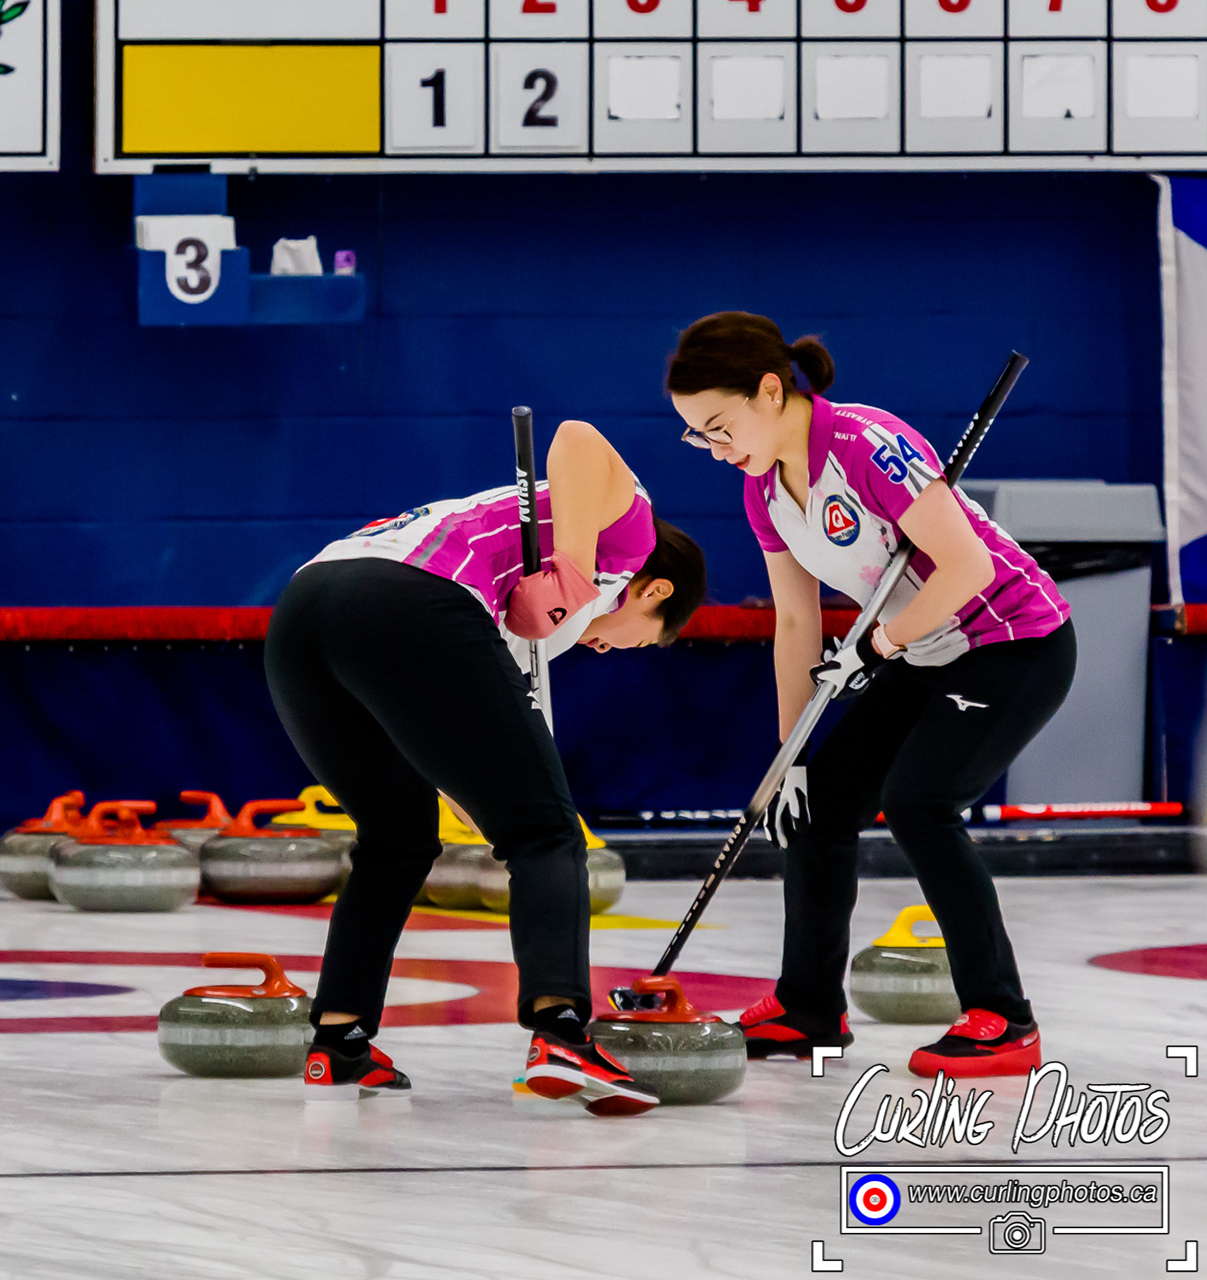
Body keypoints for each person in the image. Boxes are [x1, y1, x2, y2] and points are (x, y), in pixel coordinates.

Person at [668, 312, 1075, 1079]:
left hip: (1011, 641)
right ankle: (807, 1009)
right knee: (815, 806)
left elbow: (967, 569)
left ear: (769, 391)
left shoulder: (867, 446)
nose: (716, 449)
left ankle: (1005, 1019)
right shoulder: (764, 490)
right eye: (699, 436)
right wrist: (789, 757)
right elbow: (795, 622)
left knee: (920, 802)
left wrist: (879, 645)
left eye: (720, 428)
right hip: (922, 648)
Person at [265, 420, 708, 1115]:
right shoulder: (631, 539)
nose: (609, 648)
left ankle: (339, 1039)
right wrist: (575, 572)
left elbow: (458, 742)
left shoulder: (526, 610)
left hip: (305, 611)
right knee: (549, 834)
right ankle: (561, 1033)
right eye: (645, 642)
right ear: (655, 594)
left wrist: (485, 793)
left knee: (396, 839)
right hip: (409, 598)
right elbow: (577, 438)